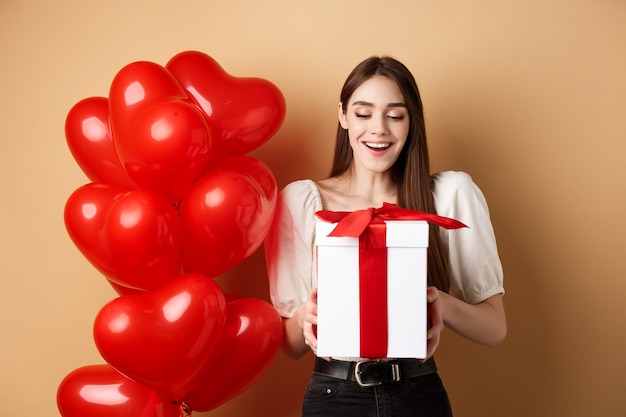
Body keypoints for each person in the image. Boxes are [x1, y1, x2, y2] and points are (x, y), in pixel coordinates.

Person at [264, 55, 506, 417]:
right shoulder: (301, 202)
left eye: (395, 115)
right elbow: (291, 345)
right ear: (343, 116)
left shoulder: (449, 195)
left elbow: (494, 329)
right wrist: (305, 317)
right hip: (335, 395)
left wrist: (440, 302)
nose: (378, 129)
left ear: (412, 123)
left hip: (418, 392)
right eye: (363, 114)